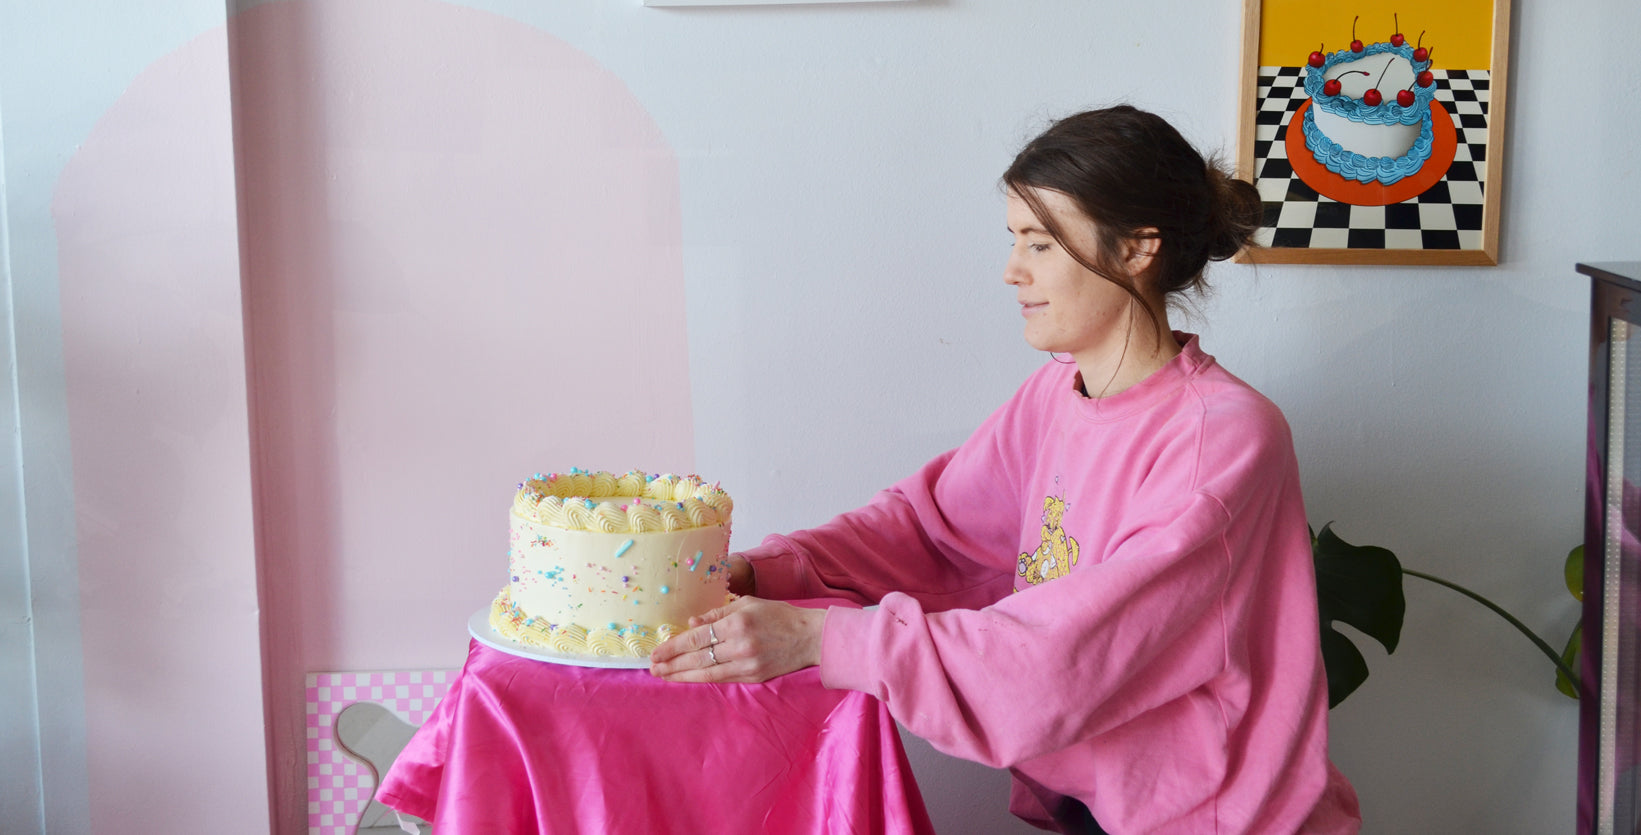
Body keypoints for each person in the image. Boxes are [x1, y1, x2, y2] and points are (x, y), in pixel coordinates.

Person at [650, 104, 1362, 834]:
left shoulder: (1222, 436)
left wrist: (817, 639)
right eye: (1014, 239)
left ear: (1136, 249)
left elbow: (1063, 655)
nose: (1011, 270)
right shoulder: (1055, 394)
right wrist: (769, 570)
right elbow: (932, 532)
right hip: (1095, 809)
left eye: (1040, 242)